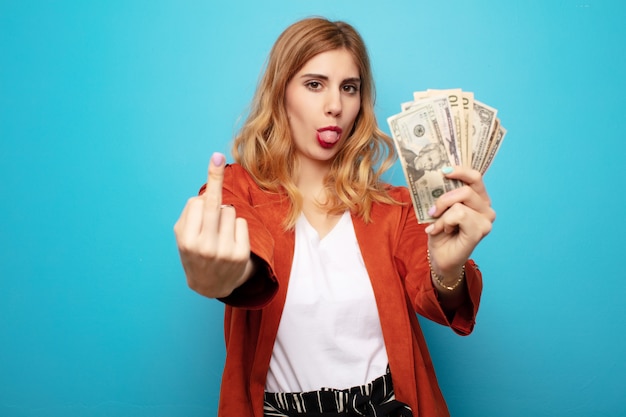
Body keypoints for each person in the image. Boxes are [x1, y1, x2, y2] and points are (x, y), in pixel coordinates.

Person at [174, 17, 495, 417]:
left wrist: (449, 269)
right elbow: (245, 258)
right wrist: (219, 275)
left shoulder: (394, 208)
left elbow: (438, 297)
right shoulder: (239, 191)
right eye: (314, 84)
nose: (335, 106)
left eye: (349, 88)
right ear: (281, 94)